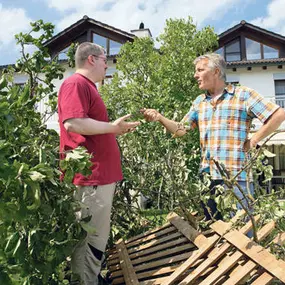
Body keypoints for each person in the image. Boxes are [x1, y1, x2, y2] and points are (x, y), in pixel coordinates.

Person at [142, 53, 285, 220]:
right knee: (213, 232)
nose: (195, 75)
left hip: (236, 178)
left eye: (200, 70)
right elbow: (181, 130)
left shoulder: (243, 95)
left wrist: (253, 140)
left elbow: (278, 114)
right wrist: (160, 117)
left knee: (242, 234)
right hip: (208, 178)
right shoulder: (199, 102)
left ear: (216, 71)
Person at [57, 42, 140, 285]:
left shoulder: (88, 87)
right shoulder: (75, 84)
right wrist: (112, 128)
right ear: (91, 59)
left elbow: (88, 125)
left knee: (95, 237)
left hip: (99, 177)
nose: (107, 64)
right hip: (91, 177)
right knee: (89, 239)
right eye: (105, 59)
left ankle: (90, 278)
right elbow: (74, 123)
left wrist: (113, 129)